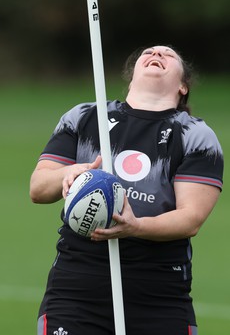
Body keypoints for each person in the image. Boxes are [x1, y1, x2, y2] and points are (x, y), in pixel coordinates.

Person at [30, 45, 224, 335]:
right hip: (76, 288)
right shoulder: (84, 117)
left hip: (158, 295)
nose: (156, 54)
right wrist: (68, 173)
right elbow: (38, 188)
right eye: (149, 52)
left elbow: (191, 218)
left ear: (183, 86)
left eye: (168, 55)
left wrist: (136, 226)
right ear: (132, 74)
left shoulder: (196, 136)